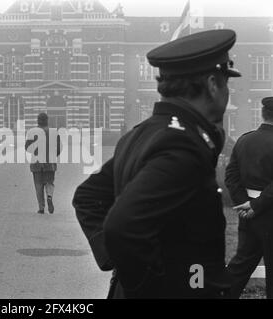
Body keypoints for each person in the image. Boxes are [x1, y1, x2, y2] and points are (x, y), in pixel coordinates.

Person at [73, 29, 242, 298]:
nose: (226, 92)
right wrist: (149, 285)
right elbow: (122, 225)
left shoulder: (143, 133)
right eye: (226, 83)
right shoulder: (182, 144)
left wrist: (115, 261)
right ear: (213, 84)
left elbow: (88, 196)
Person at [225, 97, 273, 299]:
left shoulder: (244, 139)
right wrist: (256, 205)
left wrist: (244, 204)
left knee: (240, 266)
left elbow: (231, 176)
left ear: (263, 114)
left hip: (248, 213)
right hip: (269, 211)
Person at [25, 113, 61, 214]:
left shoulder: (32, 132)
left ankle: (41, 208)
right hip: (50, 162)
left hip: (36, 163)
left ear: (38, 120)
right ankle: (49, 196)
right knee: (49, 182)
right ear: (47, 120)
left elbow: (27, 148)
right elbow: (58, 149)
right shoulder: (54, 132)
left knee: (38, 185)